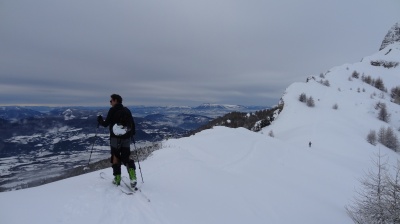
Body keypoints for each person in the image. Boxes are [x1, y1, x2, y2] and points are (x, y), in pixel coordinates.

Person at [97, 94, 137, 188]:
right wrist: (131, 135)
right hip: (126, 137)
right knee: (126, 157)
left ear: (115, 101)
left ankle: (117, 179)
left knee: (115, 156)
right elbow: (132, 124)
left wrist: (100, 120)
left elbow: (106, 124)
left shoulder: (113, 110)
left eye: (111, 101)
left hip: (115, 138)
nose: (110, 102)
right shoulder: (127, 110)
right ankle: (132, 177)